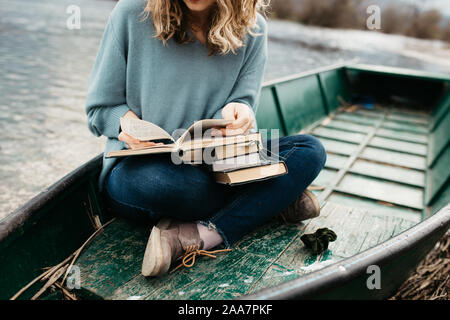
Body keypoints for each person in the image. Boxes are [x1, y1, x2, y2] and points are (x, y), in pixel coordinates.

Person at [85, 0, 326, 277]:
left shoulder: (253, 29)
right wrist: (126, 124)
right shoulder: (131, 12)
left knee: (310, 151)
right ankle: (273, 201)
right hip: (140, 172)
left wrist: (240, 113)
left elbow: (242, 102)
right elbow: (99, 109)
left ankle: (200, 235)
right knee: (180, 187)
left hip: (214, 166)